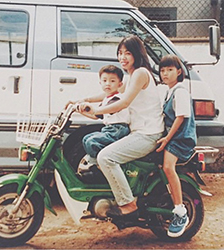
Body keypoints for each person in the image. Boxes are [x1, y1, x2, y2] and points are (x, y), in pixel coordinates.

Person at [79, 35, 164, 221]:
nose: (122, 57)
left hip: (148, 134)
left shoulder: (141, 73)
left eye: (127, 53)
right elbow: (110, 91)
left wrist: (97, 110)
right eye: (119, 53)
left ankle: (128, 204)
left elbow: (123, 102)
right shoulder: (132, 75)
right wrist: (83, 100)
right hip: (139, 132)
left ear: (137, 54)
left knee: (106, 157)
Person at [156, 54, 197, 237]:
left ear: (178, 71)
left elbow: (181, 118)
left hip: (181, 139)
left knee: (167, 167)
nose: (165, 74)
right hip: (175, 137)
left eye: (170, 70)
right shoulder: (169, 91)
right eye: (162, 70)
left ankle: (180, 211)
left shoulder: (180, 91)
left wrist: (166, 139)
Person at [78, 65, 130, 173]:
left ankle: (103, 163)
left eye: (112, 81)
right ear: (100, 83)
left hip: (118, 130)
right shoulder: (107, 98)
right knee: (86, 138)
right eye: (104, 80)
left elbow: (103, 111)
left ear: (120, 84)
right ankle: (96, 161)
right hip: (109, 128)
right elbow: (95, 115)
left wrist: (89, 107)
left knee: (92, 141)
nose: (108, 83)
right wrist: (79, 110)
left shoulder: (117, 98)